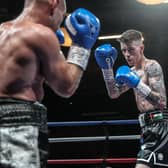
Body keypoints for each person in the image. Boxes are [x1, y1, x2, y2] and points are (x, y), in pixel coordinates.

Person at [0, 0, 100, 167]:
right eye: (62, 15)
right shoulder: (41, 34)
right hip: (19, 120)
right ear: (54, 3)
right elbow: (66, 86)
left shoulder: (3, 29)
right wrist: (81, 46)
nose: (59, 22)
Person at [94, 29, 168, 168]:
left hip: (160, 125)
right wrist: (107, 70)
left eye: (131, 50)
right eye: (123, 51)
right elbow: (114, 94)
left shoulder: (152, 67)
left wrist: (137, 84)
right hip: (146, 127)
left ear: (141, 48)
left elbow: (162, 102)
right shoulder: (131, 72)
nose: (127, 55)